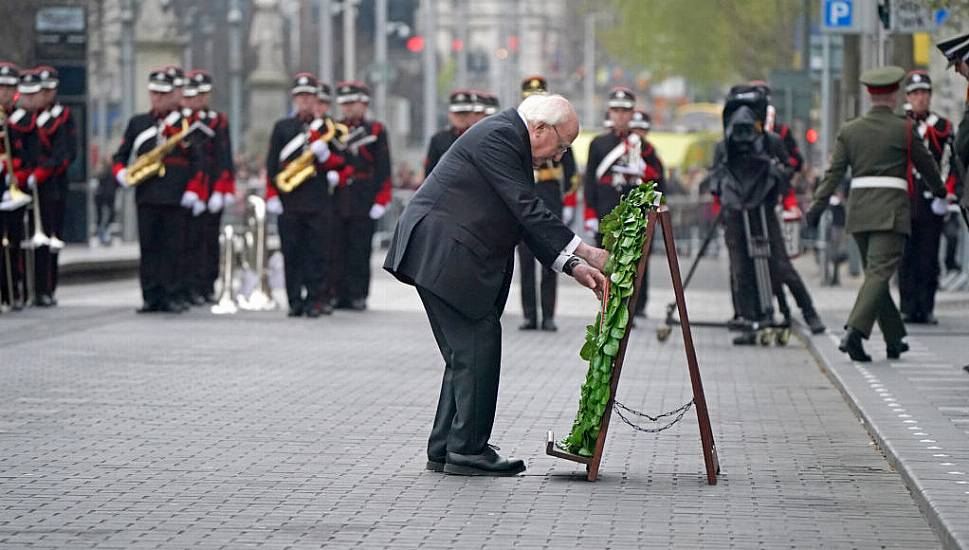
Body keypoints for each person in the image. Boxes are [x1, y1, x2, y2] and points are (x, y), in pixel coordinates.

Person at [384, 94, 608, 476]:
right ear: (540, 128)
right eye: (563, 145)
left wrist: (572, 266)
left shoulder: (508, 138)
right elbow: (526, 207)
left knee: (464, 355)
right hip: (445, 253)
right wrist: (587, 250)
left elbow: (522, 218)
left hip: (443, 252)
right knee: (477, 348)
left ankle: (446, 447)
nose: (559, 156)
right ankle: (468, 451)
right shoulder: (500, 137)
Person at [806, 66, 946, 362]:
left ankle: (895, 338)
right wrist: (941, 190)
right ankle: (855, 333)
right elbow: (927, 166)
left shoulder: (850, 129)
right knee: (880, 274)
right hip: (891, 213)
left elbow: (832, 176)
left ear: (870, 95)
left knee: (875, 275)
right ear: (894, 95)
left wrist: (816, 208)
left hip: (859, 212)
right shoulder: (905, 128)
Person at [113, 68, 206, 313]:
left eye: (163, 94)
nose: (157, 98)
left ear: (174, 95)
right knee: (149, 248)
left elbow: (199, 161)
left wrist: (194, 190)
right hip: (147, 194)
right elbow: (120, 155)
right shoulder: (139, 123)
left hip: (176, 195)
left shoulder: (187, 123)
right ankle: (150, 295)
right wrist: (121, 172)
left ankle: (172, 294)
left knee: (174, 248)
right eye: (154, 93)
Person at [265, 73, 345, 317]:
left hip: (318, 201)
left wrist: (325, 158)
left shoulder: (327, 128)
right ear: (294, 99)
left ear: (315, 99)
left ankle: (315, 300)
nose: (304, 101)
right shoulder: (282, 127)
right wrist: (272, 196)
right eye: (300, 97)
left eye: (309, 97)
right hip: (289, 203)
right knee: (292, 252)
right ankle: (294, 300)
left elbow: (342, 163)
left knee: (317, 254)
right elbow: (271, 165)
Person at [583, 87, 661, 317]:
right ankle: (608, 307)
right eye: (616, 110)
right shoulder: (598, 143)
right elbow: (590, 181)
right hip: (607, 214)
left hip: (634, 214)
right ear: (610, 112)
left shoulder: (643, 146)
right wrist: (589, 214)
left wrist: (643, 170)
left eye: (625, 111)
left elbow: (658, 178)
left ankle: (633, 308)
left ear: (632, 113)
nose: (620, 116)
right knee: (607, 264)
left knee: (634, 264)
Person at [516, 75, 578, 332]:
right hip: (523, 202)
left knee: (553, 259)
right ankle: (530, 314)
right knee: (526, 262)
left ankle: (549, 314)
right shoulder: (519, 134)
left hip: (550, 199)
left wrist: (570, 204)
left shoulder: (556, 131)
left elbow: (571, 175)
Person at [898, 71, 959, 325]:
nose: (920, 98)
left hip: (930, 200)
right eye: (915, 94)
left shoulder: (942, 127)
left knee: (929, 257)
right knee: (906, 257)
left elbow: (952, 162)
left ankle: (927, 306)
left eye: (924, 93)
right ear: (908, 97)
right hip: (905, 200)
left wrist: (946, 193)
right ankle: (907, 306)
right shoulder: (899, 124)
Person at [330, 80, 392, 311]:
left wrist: (381, 199)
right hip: (338, 199)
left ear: (364, 104)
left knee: (359, 249)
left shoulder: (375, 130)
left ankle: (358, 294)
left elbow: (383, 167)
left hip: (363, 199)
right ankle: (337, 294)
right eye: (344, 104)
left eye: (352, 103)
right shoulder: (334, 129)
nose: (347, 108)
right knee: (336, 249)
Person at [186, 69, 236, 304]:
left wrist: (223, 189)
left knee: (209, 239)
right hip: (191, 189)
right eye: (196, 94)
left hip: (211, 187)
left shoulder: (218, 120)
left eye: (203, 94)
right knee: (190, 240)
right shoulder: (183, 121)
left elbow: (224, 155)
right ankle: (190, 284)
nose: (200, 99)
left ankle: (207, 284)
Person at [31, 66, 77, 306]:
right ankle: (28, 287)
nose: (45, 95)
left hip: (54, 185)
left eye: (49, 90)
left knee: (51, 238)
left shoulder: (63, 116)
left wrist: (47, 169)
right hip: (29, 183)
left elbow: (68, 151)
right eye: (41, 90)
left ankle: (48, 287)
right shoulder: (26, 117)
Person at [0, 62, 35, 311]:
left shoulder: (24, 121)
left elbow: (33, 156)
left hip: (15, 188)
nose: (3, 92)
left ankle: (16, 288)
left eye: (8, 87)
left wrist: (19, 175)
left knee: (14, 240)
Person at [423, 89, 475, 178]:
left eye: (465, 113)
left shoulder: (478, 138)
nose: (461, 117)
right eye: (457, 113)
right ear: (450, 114)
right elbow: (429, 173)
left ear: (472, 114)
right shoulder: (438, 139)